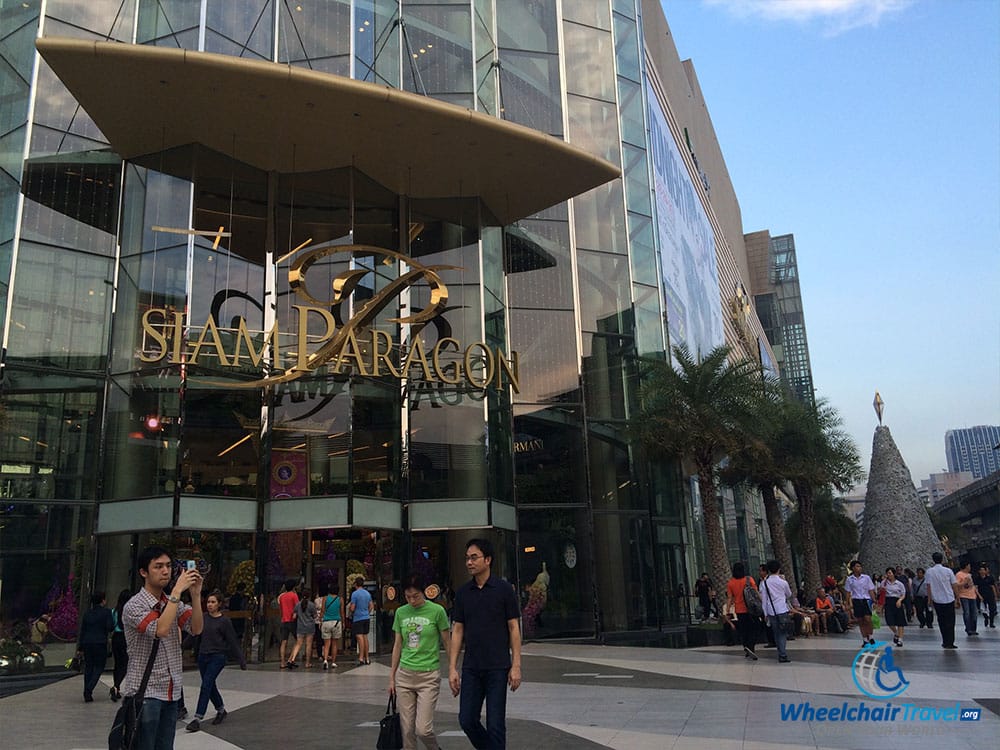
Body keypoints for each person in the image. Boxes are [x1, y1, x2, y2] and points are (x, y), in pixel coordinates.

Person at [122, 546, 203, 750]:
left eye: (168, 566)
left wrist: (195, 595)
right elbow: (161, 629)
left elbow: (196, 628)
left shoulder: (170, 602)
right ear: (143, 572)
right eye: (158, 567)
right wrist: (177, 590)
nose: (165, 571)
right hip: (145, 692)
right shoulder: (135, 605)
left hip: (171, 691)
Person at [449, 538, 522, 750]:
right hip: (472, 667)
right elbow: (458, 630)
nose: (469, 563)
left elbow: (513, 628)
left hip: (498, 667)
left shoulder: (504, 589)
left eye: (474, 558)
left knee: (496, 724)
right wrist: (452, 668)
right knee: (467, 720)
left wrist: (516, 665)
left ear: (487, 560)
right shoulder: (463, 593)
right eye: (467, 558)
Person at [388, 576, 452, 750]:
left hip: (428, 675)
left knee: (423, 729)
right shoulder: (401, 612)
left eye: (415, 596)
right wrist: (392, 677)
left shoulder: (437, 611)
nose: (412, 600)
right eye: (408, 596)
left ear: (424, 592)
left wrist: (453, 668)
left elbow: (447, 641)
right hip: (405, 675)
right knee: (407, 730)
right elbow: (398, 644)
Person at [186, 590, 246, 732]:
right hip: (203, 656)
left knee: (206, 685)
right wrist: (182, 646)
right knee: (210, 685)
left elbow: (232, 640)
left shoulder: (224, 621)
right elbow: (195, 633)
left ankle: (197, 718)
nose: (210, 605)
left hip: (217, 657)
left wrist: (241, 659)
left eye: (213, 602)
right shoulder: (203, 617)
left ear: (219, 604)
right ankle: (221, 709)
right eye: (208, 602)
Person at [77, 591, 115, 702]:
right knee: (99, 667)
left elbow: (83, 630)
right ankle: (89, 688)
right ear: (103, 600)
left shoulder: (87, 613)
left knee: (89, 666)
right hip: (100, 642)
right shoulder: (106, 612)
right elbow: (110, 627)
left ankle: (86, 689)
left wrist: (80, 647)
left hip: (87, 642)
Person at [924, 551, 960, 649]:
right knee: (950, 621)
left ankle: (945, 640)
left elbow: (928, 586)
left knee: (941, 620)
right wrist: (958, 598)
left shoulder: (929, 571)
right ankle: (950, 641)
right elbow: (954, 585)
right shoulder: (948, 571)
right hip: (949, 598)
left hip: (937, 599)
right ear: (942, 559)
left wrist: (929, 600)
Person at [759, 561, 792, 663]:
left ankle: (780, 652)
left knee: (776, 632)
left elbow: (764, 600)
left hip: (771, 611)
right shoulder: (783, 582)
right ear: (778, 569)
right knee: (782, 633)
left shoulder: (764, 583)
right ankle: (782, 654)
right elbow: (789, 594)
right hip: (782, 609)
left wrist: (765, 613)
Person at [725, 562, 759, 660]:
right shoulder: (749, 580)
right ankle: (751, 647)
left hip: (739, 610)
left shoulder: (731, 583)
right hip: (751, 609)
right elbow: (756, 593)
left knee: (744, 630)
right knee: (754, 629)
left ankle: (746, 648)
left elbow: (729, 598)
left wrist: (727, 611)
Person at [844, 560, 876, 647]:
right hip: (856, 600)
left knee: (868, 619)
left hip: (866, 600)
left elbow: (871, 589)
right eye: (857, 566)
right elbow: (848, 592)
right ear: (853, 568)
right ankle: (865, 639)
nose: (859, 568)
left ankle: (871, 636)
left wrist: (874, 600)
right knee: (861, 621)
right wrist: (847, 603)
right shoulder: (850, 579)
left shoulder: (866, 578)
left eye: (860, 566)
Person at [317, 584, 345, 669]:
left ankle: (325, 660)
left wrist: (320, 621)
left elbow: (322, 611)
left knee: (326, 643)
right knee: (335, 643)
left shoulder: (325, 598)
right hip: (336, 622)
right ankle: (333, 662)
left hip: (326, 622)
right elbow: (342, 612)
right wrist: (343, 622)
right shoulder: (340, 599)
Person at [110, 588, 131, 701]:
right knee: (125, 664)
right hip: (125, 637)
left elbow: (111, 625)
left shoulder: (114, 611)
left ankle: (115, 686)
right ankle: (116, 686)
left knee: (117, 663)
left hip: (116, 637)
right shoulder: (129, 611)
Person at [349, 576, 375, 666]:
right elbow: (371, 605)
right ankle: (367, 658)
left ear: (356, 584)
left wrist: (351, 610)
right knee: (365, 637)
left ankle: (361, 658)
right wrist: (367, 612)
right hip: (366, 617)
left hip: (358, 618)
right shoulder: (367, 593)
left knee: (359, 638)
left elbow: (352, 608)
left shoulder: (355, 594)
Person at [288, 589, 316, 668]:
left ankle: (292, 659)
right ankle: (307, 663)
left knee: (298, 643)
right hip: (310, 627)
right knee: (308, 645)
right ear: (309, 596)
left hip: (300, 626)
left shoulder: (298, 604)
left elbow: (294, 616)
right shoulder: (311, 605)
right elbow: (315, 616)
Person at [879, 567, 907, 647]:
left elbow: (903, 593)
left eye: (890, 573)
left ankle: (900, 640)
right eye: (887, 573)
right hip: (888, 601)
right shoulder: (884, 583)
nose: (889, 575)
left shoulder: (899, 584)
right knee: (889, 621)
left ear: (894, 574)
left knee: (900, 621)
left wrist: (900, 600)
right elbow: (881, 594)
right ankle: (896, 633)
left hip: (897, 601)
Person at [955, 560, 981, 636]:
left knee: (974, 613)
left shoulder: (969, 575)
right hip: (964, 596)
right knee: (967, 612)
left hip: (972, 595)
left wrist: (978, 594)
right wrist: (964, 582)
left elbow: (972, 586)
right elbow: (956, 585)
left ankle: (973, 629)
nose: (970, 567)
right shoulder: (959, 574)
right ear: (966, 566)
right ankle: (968, 628)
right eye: (969, 566)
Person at [277, 579, 298, 668]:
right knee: (298, 640)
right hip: (292, 621)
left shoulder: (282, 597)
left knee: (283, 641)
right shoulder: (294, 596)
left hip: (283, 620)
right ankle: (290, 659)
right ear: (293, 587)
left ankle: (282, 662)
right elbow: (297, 608)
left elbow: (281, 609)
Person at [977, 564, 997, 629]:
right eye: (981, 570)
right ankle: (986, 618)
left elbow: (993, 587)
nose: (982, 571)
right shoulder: (977, 579)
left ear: (986, 571)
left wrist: (995, 595)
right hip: (982, 596)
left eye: (983, 570)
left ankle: (991, 622)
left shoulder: (990, 578)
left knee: (992, 609)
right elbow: (976, 588)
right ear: (979, 571)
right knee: (983, 609)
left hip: (990, 595)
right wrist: (979, 596)